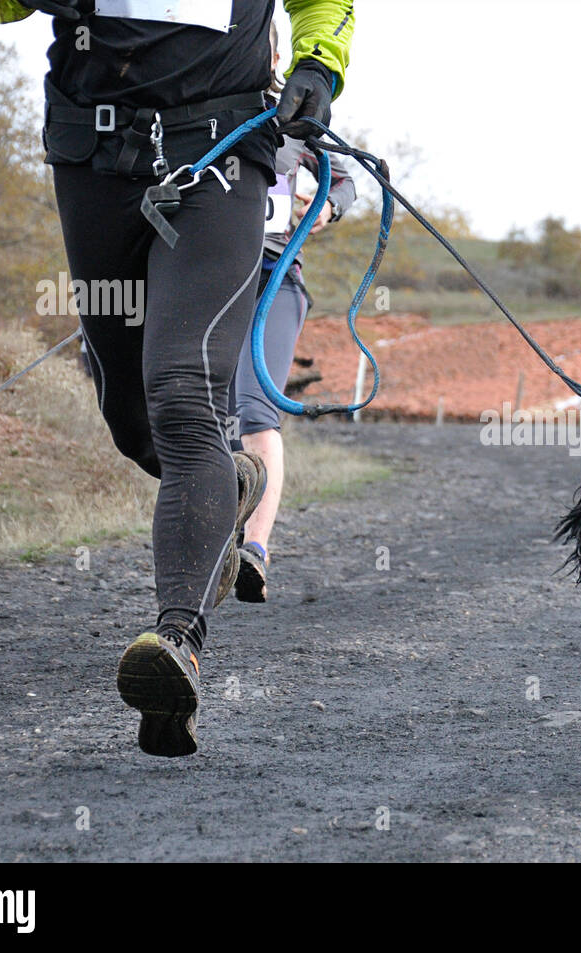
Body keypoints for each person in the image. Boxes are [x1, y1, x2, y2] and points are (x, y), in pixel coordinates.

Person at [0, 0, 355, 757]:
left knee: (182, 393)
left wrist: (319, 65)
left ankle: (177, 644)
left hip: (223, 151)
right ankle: (223, 486)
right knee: (131, 416)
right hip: (93, 151)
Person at [231, 20, 357, 603]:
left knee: (257, 410)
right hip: (208, 277)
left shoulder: (296, 117)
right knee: (198, 411)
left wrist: (326, 203)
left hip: (277, 278)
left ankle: (255, 546)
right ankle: (213, 529)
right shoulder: (202, 111)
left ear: (277, 53)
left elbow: (349, 181)